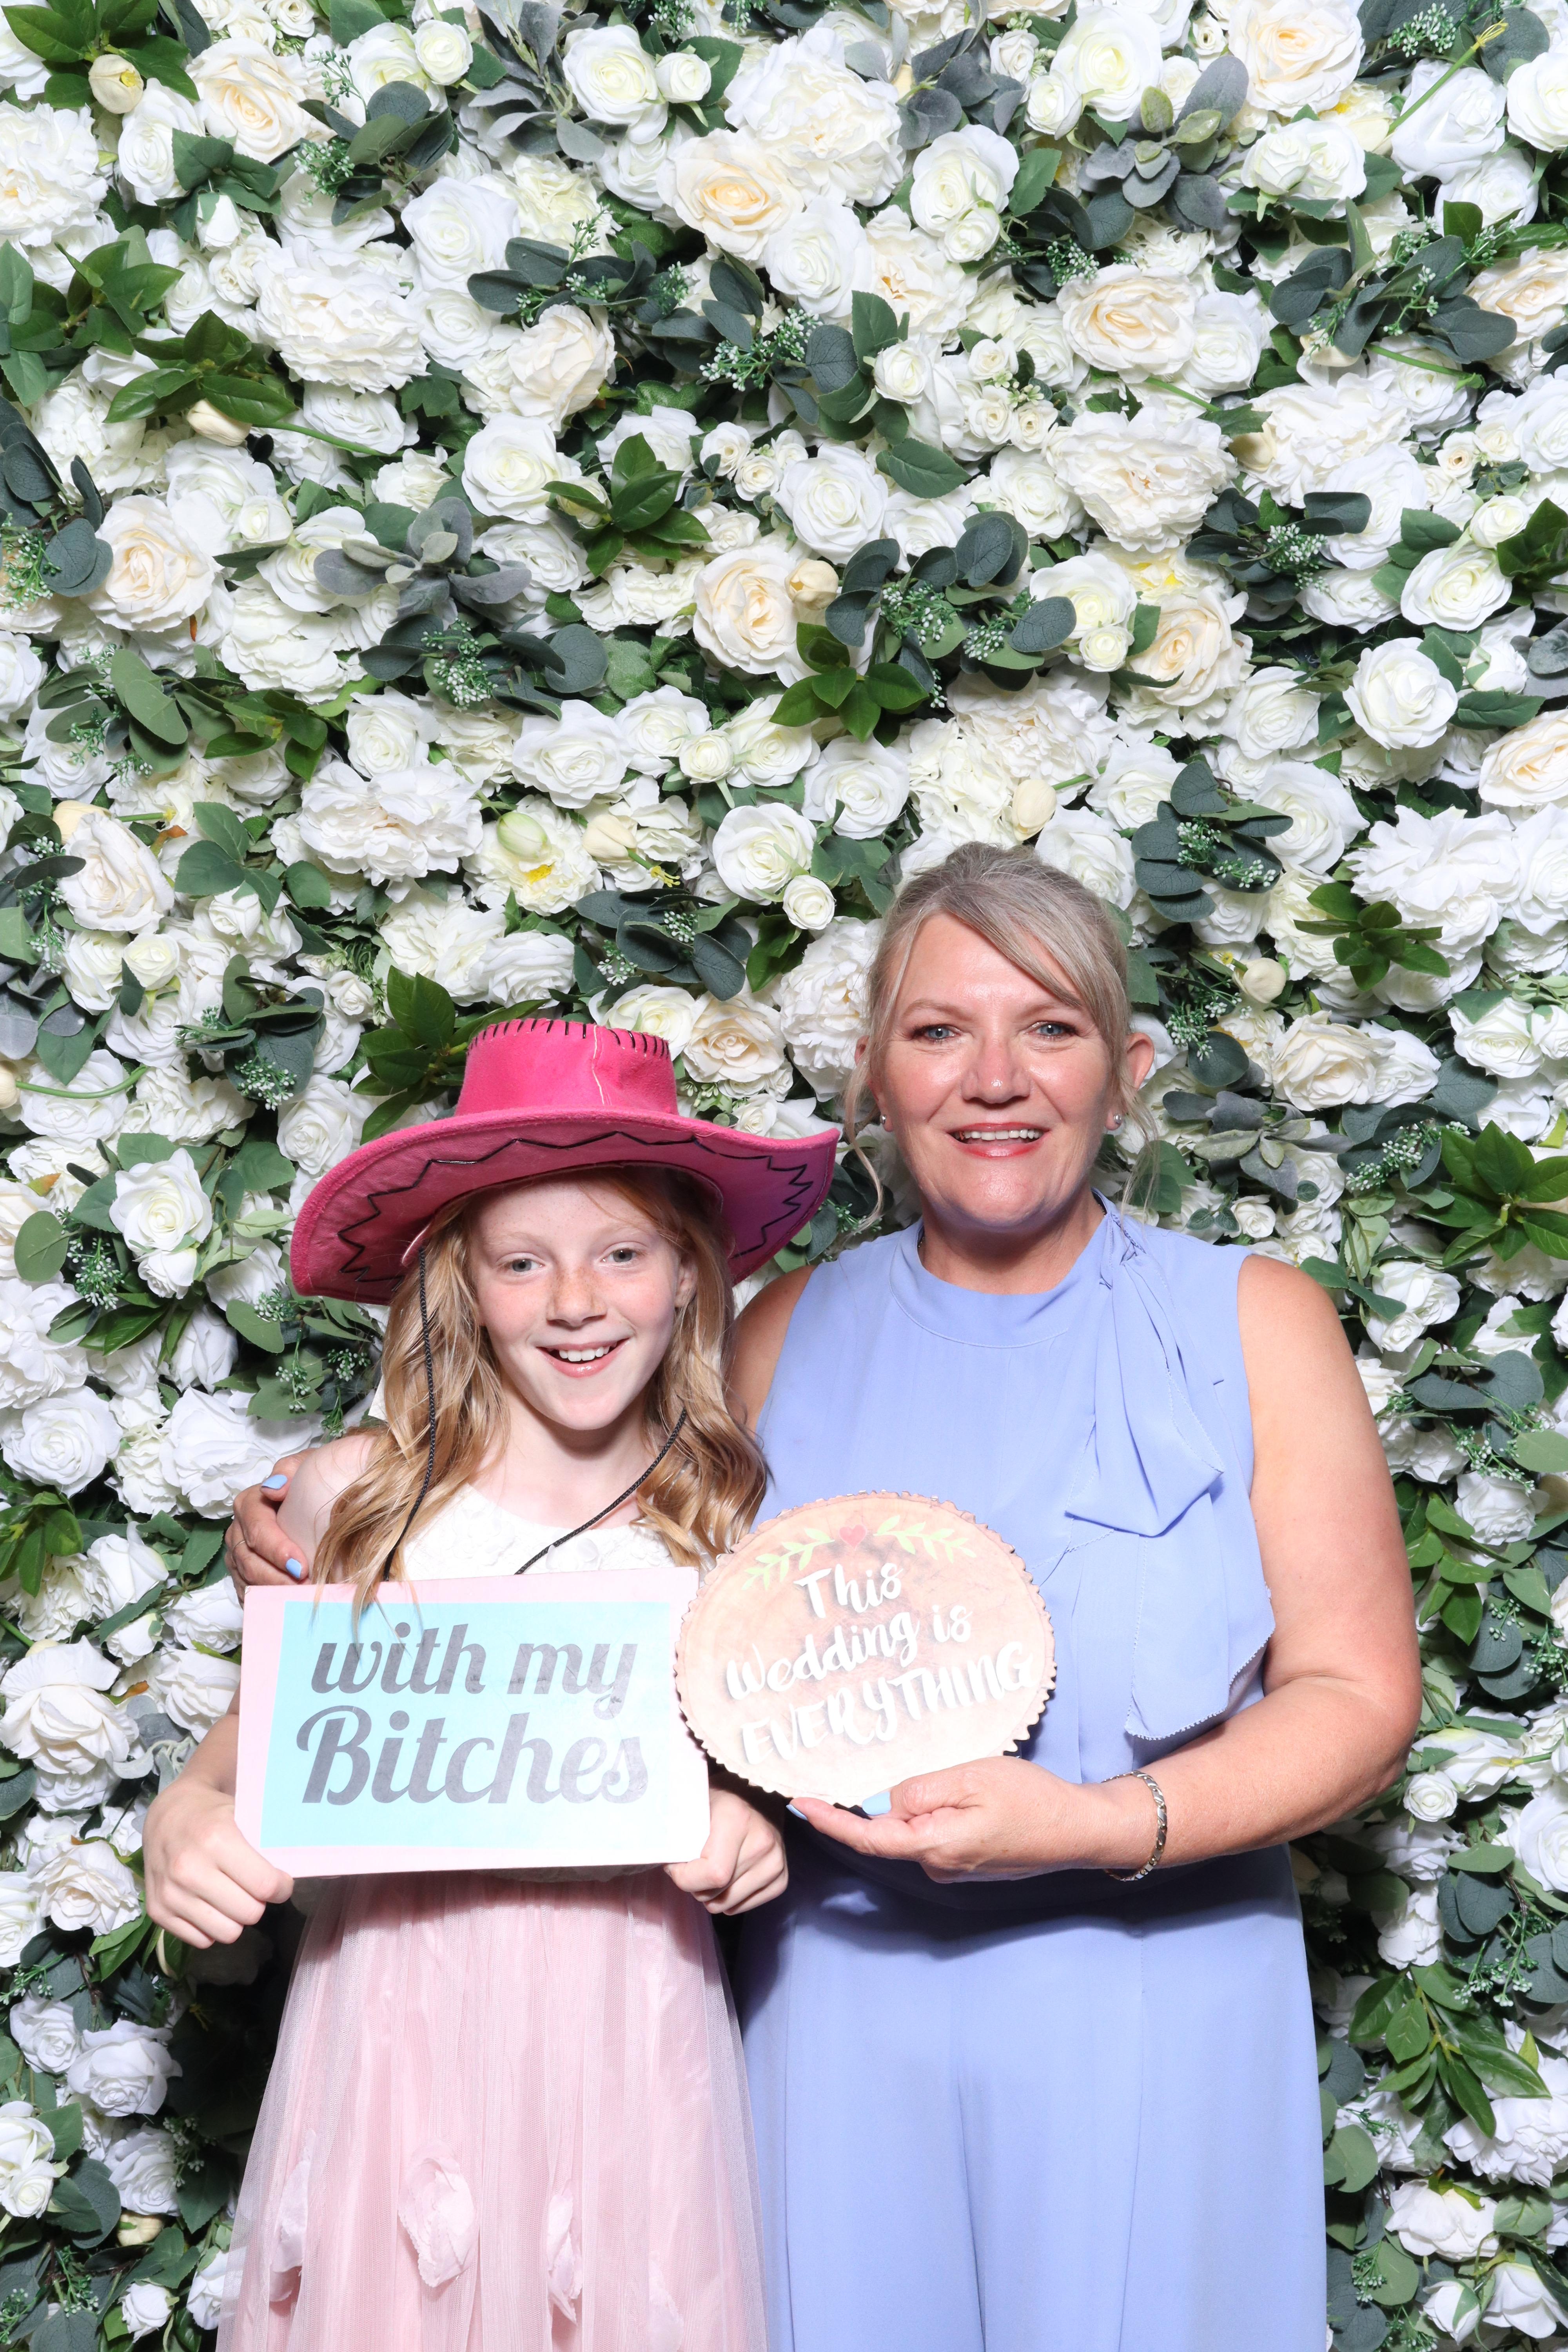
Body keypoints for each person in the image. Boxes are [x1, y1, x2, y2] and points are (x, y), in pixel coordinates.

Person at [227, 851, 1422, 2352]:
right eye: (937, 1032)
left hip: (1155, 1998)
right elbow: (543, 1540)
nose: (994, 1078)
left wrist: (1101, 1825)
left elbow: (1362, 1706)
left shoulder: (1253, 1319)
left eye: (1048, 1028)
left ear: (1125, 1073)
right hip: (834, 2012)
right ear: (872, 1074)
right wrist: (319, 1518)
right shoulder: (780, 1330)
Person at [145, 1016, 837, 2352]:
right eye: (524, 1263)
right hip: (396, 2030)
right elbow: (253, 1752)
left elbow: (756, 1772)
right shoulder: (359, 1495)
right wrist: (185, 1818)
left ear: (689, 1276)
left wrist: (753, 1822)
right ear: (464, 1284)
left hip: (630, 2038)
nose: (575, 1301)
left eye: (622, 1254)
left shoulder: (729, 1523)